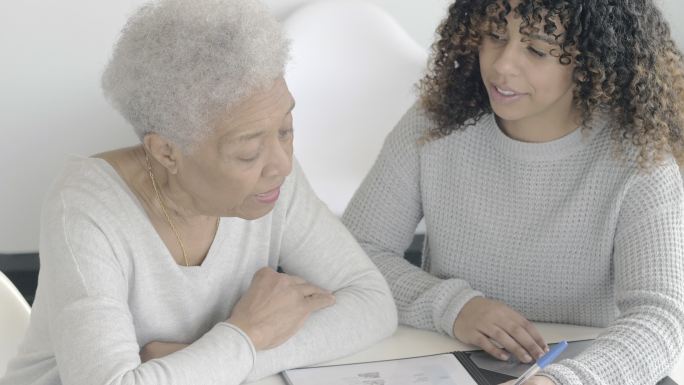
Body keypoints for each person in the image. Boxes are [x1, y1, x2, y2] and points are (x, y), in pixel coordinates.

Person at [0, 1, 398, 384]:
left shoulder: (272, 183)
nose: (281, 164)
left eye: (286, 129)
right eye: (247, 151)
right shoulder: (86, 209)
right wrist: (245, 335)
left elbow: (372, 304)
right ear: (166, 151)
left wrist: (229, 352)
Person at [342, 0, 684, 384]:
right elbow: (353, 256)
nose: (502, 65)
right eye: (494, 35)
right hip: (440, 358)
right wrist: (454, 307)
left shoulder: (640, 160)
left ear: (592, 61)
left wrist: (565, 381)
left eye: (536, 49)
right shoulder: (434, 125)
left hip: (583, 369)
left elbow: (661, 317)